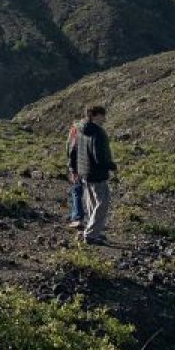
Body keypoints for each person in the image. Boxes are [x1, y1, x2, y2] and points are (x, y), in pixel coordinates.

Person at [74, 105, 117, 245]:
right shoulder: (98, 133)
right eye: (102, 115)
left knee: (92, 203)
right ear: (94, 115)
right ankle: (91, 234)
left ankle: (94, 231)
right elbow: (99, 157)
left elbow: (76, 150)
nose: (104, 118)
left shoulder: (81, 129)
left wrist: (76, 169)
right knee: (102, 203)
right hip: (97, 174)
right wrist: (112, 166)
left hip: (84, 173)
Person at [65, 116, 85, 229]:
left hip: (78, 168)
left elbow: (71, 152)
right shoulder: (87, 134)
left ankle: (77, 217)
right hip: (88, 169)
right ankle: (89, 219)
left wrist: (73, 170)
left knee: (77, 191)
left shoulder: (75, 134)